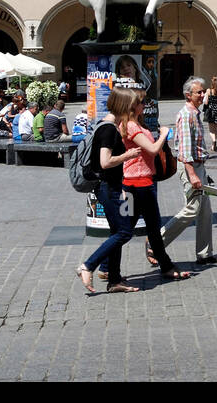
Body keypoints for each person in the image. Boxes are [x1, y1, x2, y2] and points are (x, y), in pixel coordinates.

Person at [114, 87, 188, 280]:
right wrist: (164, 133)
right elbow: (153, 149)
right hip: (140, 185)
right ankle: (166, 267)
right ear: (132, 106)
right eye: (141, 103)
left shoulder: (135, 124)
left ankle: (107, 266)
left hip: (136, 183)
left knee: (131, 228)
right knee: (143, 228)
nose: (144, 106)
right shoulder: (131, 126)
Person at [77, 92, 141, 294]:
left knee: (117, 231)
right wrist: (127, 155)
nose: (133, 111)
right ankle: (88, 265)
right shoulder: (108, 130)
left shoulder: (104, 126)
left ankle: (114, 280)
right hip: (108, 188)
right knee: (124, 232)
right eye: (131, 107)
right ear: (123, 106)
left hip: (111, 187)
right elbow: (105, 162)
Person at [159, 77, 217, 266]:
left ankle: (204, 254)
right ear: (188, 95)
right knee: (193, 208)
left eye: (203, 91)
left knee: (205, 211)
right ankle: (157, 242)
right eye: (199, 92)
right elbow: (185, 151)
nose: (203, 95)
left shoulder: (195, 113)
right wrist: (193, 174)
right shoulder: (186, 114)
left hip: (198, 165)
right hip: (190, 167)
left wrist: (202, 170)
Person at [202, 75, 217, 151]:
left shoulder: (209, 91)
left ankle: (214, 141)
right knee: (215, 129)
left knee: (211, 130)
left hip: (210, 111)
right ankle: (213, 145)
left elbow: (206, 102)